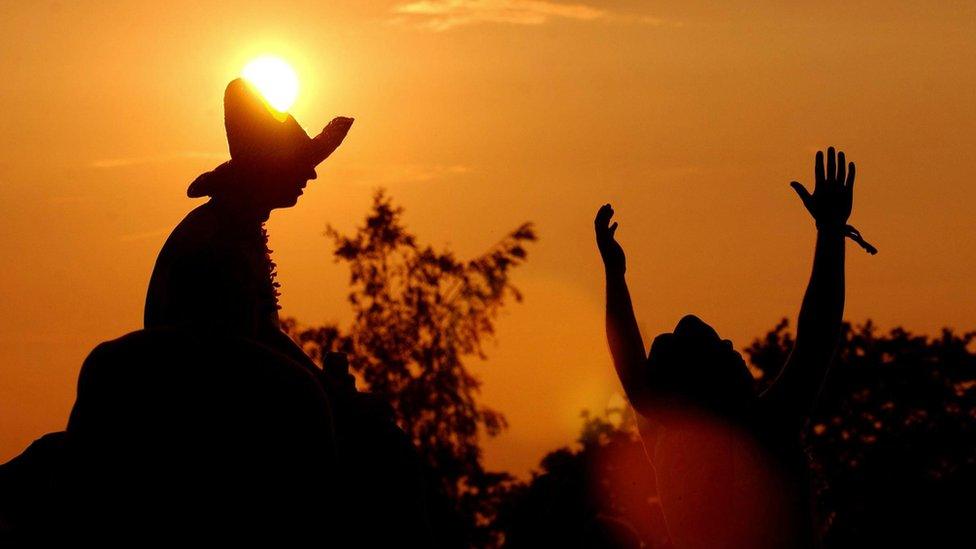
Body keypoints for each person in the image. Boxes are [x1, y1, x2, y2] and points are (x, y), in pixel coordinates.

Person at [594, 147, 875, 548]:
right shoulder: (762, 432)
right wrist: (830, 233)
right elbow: (818, 332)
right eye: (723, 348)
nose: (734, 349)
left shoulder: (668, 439)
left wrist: (615, 276)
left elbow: (632, 369)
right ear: (710, 380)